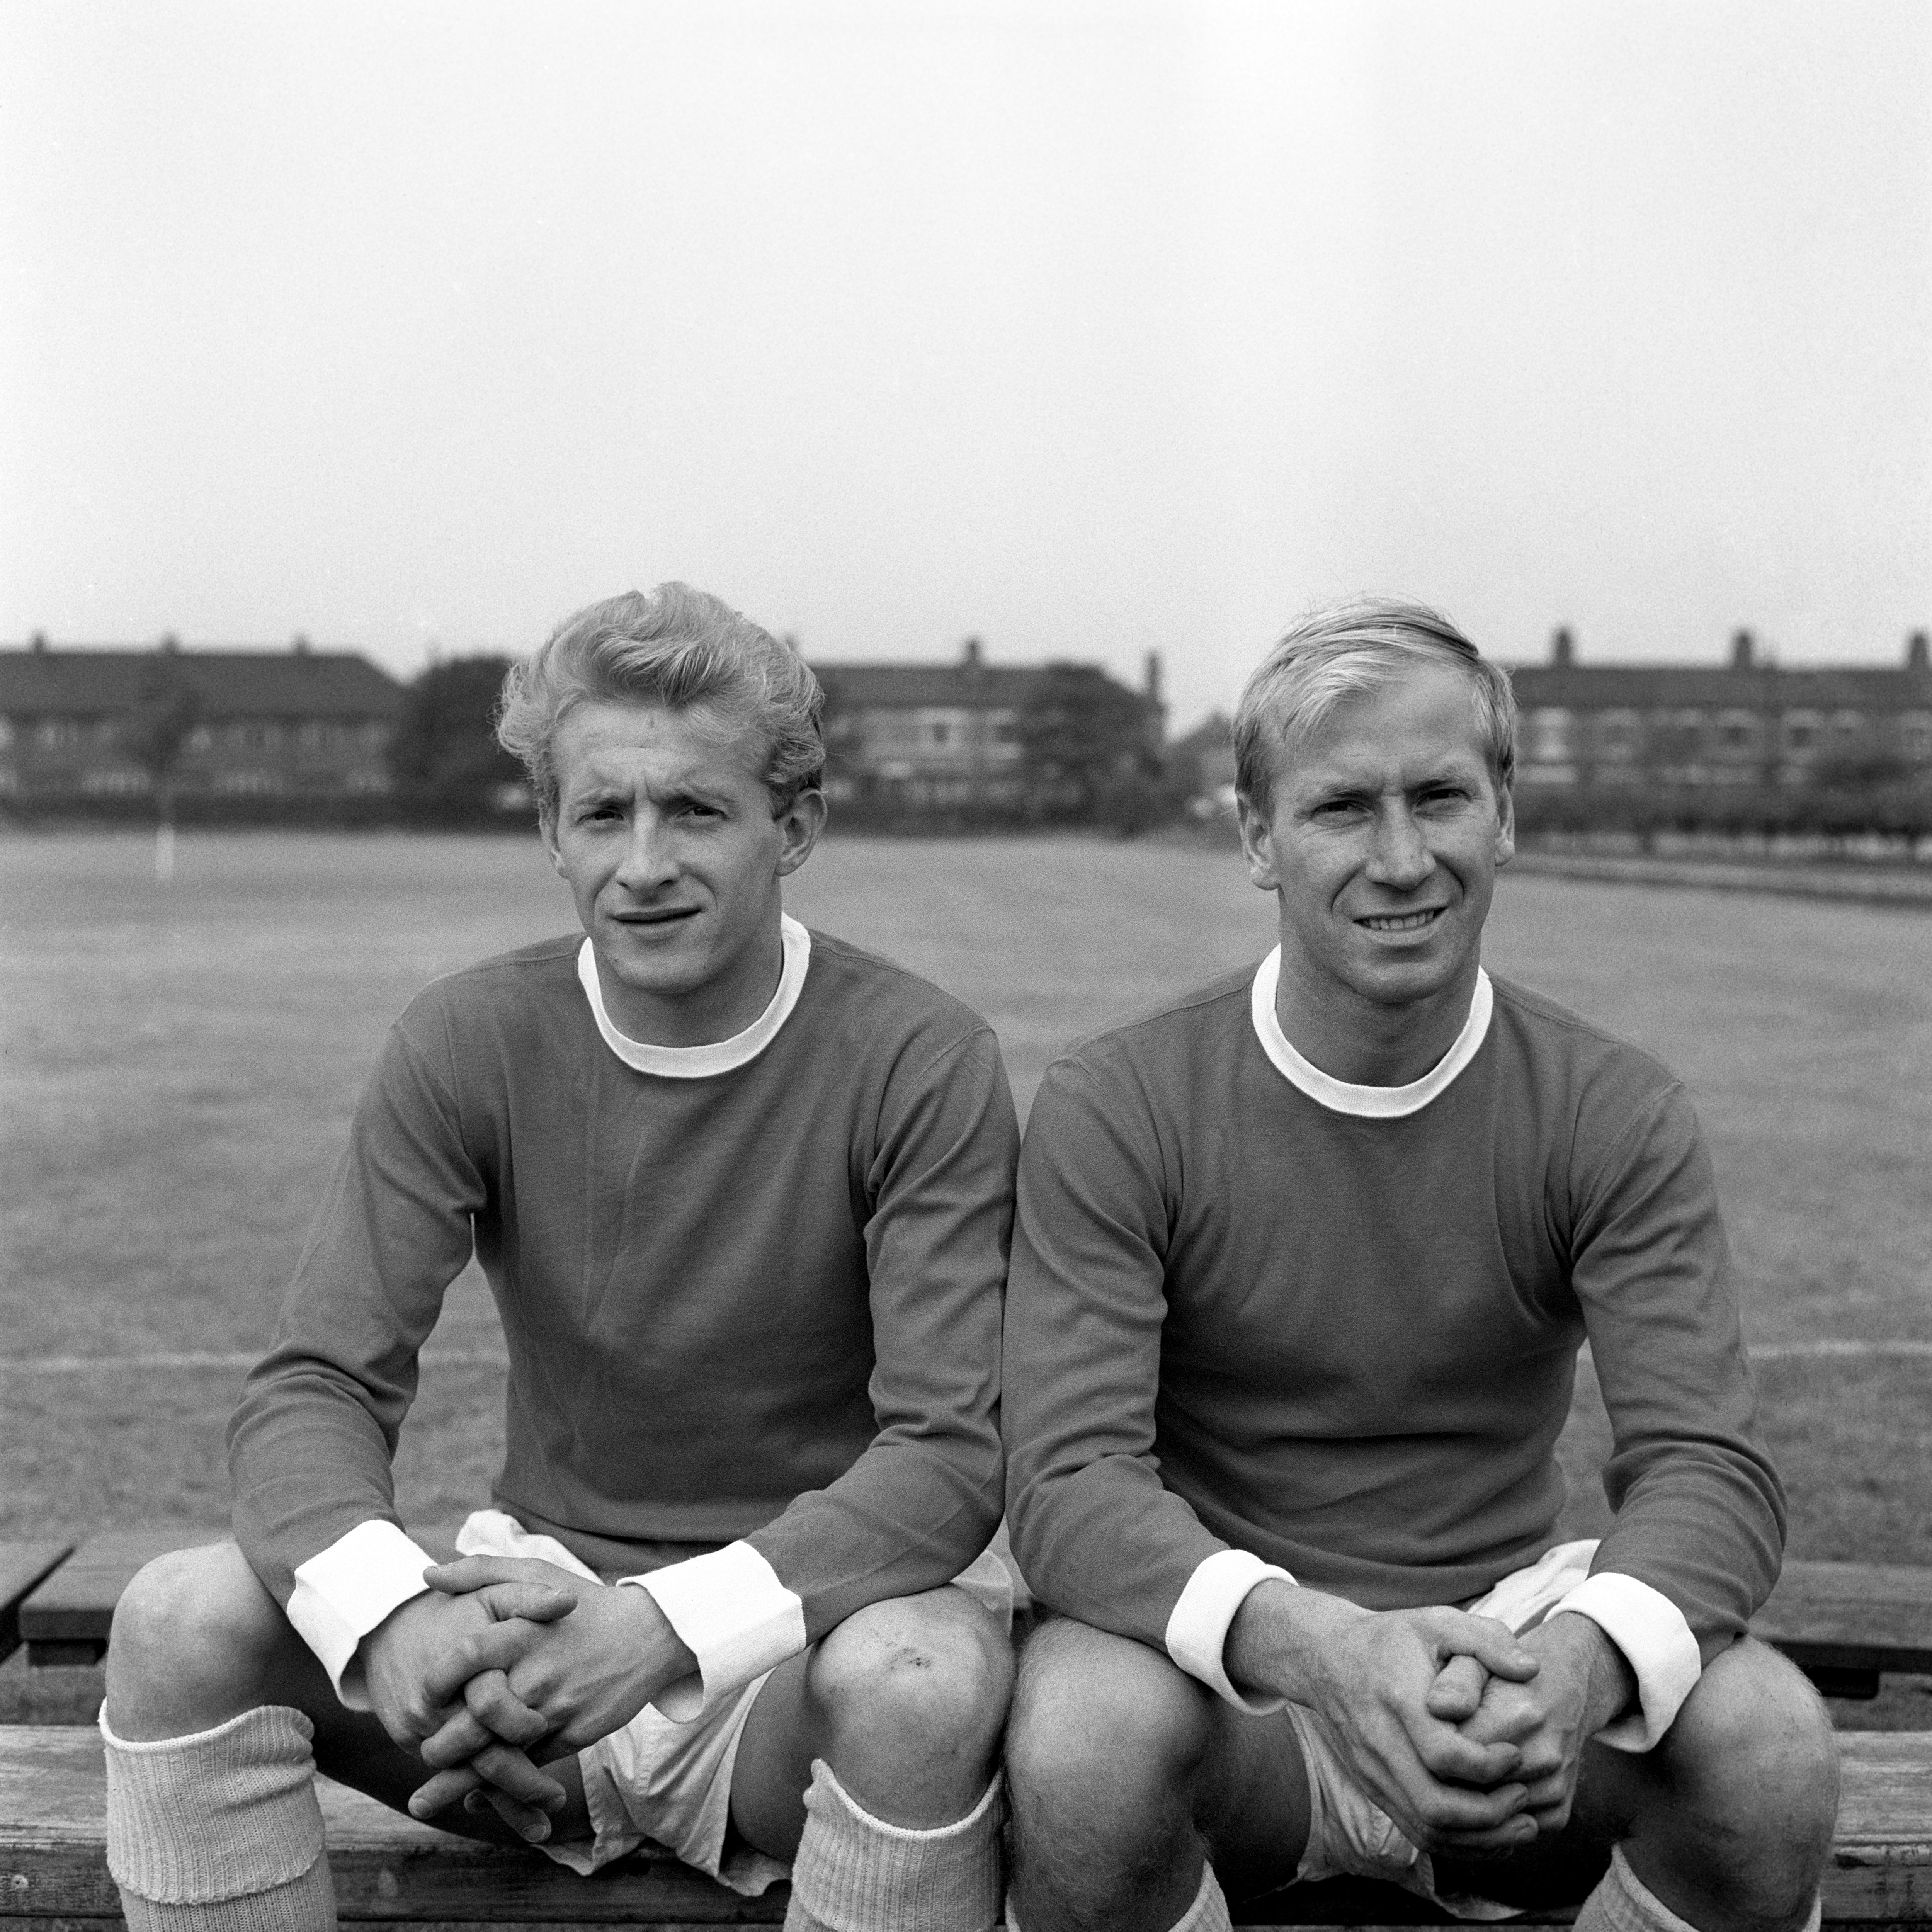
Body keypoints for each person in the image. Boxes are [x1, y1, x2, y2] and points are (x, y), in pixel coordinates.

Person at [101, 584, 1019, 1932]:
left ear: (795, 828)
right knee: (178, 1618)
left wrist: (661, 1630)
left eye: (695, 811)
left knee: (924, 1681)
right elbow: (317, 1386)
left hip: (795, 1657)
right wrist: (394, 1620)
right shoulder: (468, 1038)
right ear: (550, 831)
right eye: (603, 814)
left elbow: (949, 1454)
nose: (644, 864)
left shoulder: (919, 1059)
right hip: (531, 1648)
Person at [1000, 600, 1839, 1932]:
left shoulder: (1611, 1109)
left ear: (1504, 814)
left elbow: (1707, 1466)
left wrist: (1577, 1668)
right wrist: (1325, 1651)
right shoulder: (1122, 1101)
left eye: (1440, 797)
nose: (1402, 859)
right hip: (1241, 1668)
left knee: (1770, 1750)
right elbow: (1067, 1479)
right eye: (1342, 808)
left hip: (1507, 1666)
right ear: (1257, 837)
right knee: (1083, 1741)